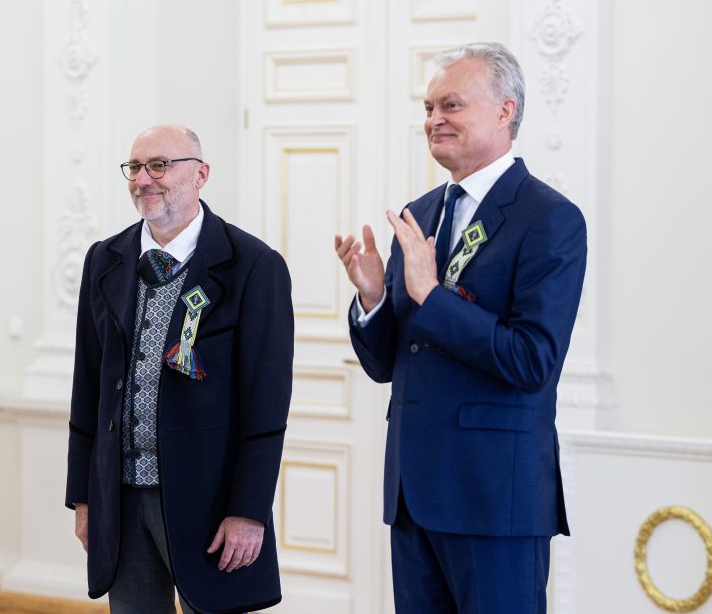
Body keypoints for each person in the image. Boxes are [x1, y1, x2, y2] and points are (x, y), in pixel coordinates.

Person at [334, 43, 586, 613]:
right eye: (428, 107)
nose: (433, 120)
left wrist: (430, 295)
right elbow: (387, 365)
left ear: (505, 110)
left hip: (494, 496)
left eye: (451, 104)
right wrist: (373, 298)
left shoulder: (550, 218)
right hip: (412, 493)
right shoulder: (418, 213)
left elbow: (531, 361)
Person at [66, 124, 293, 614]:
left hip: (209, 501)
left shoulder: (252, 265)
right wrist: (85, 498)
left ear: (201, 174)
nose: (144, 179)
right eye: (135, 167)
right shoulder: (104, 259)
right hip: (121, 499)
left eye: (160, 165)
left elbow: (266, 405)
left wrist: (248, 511)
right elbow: (88, 386)